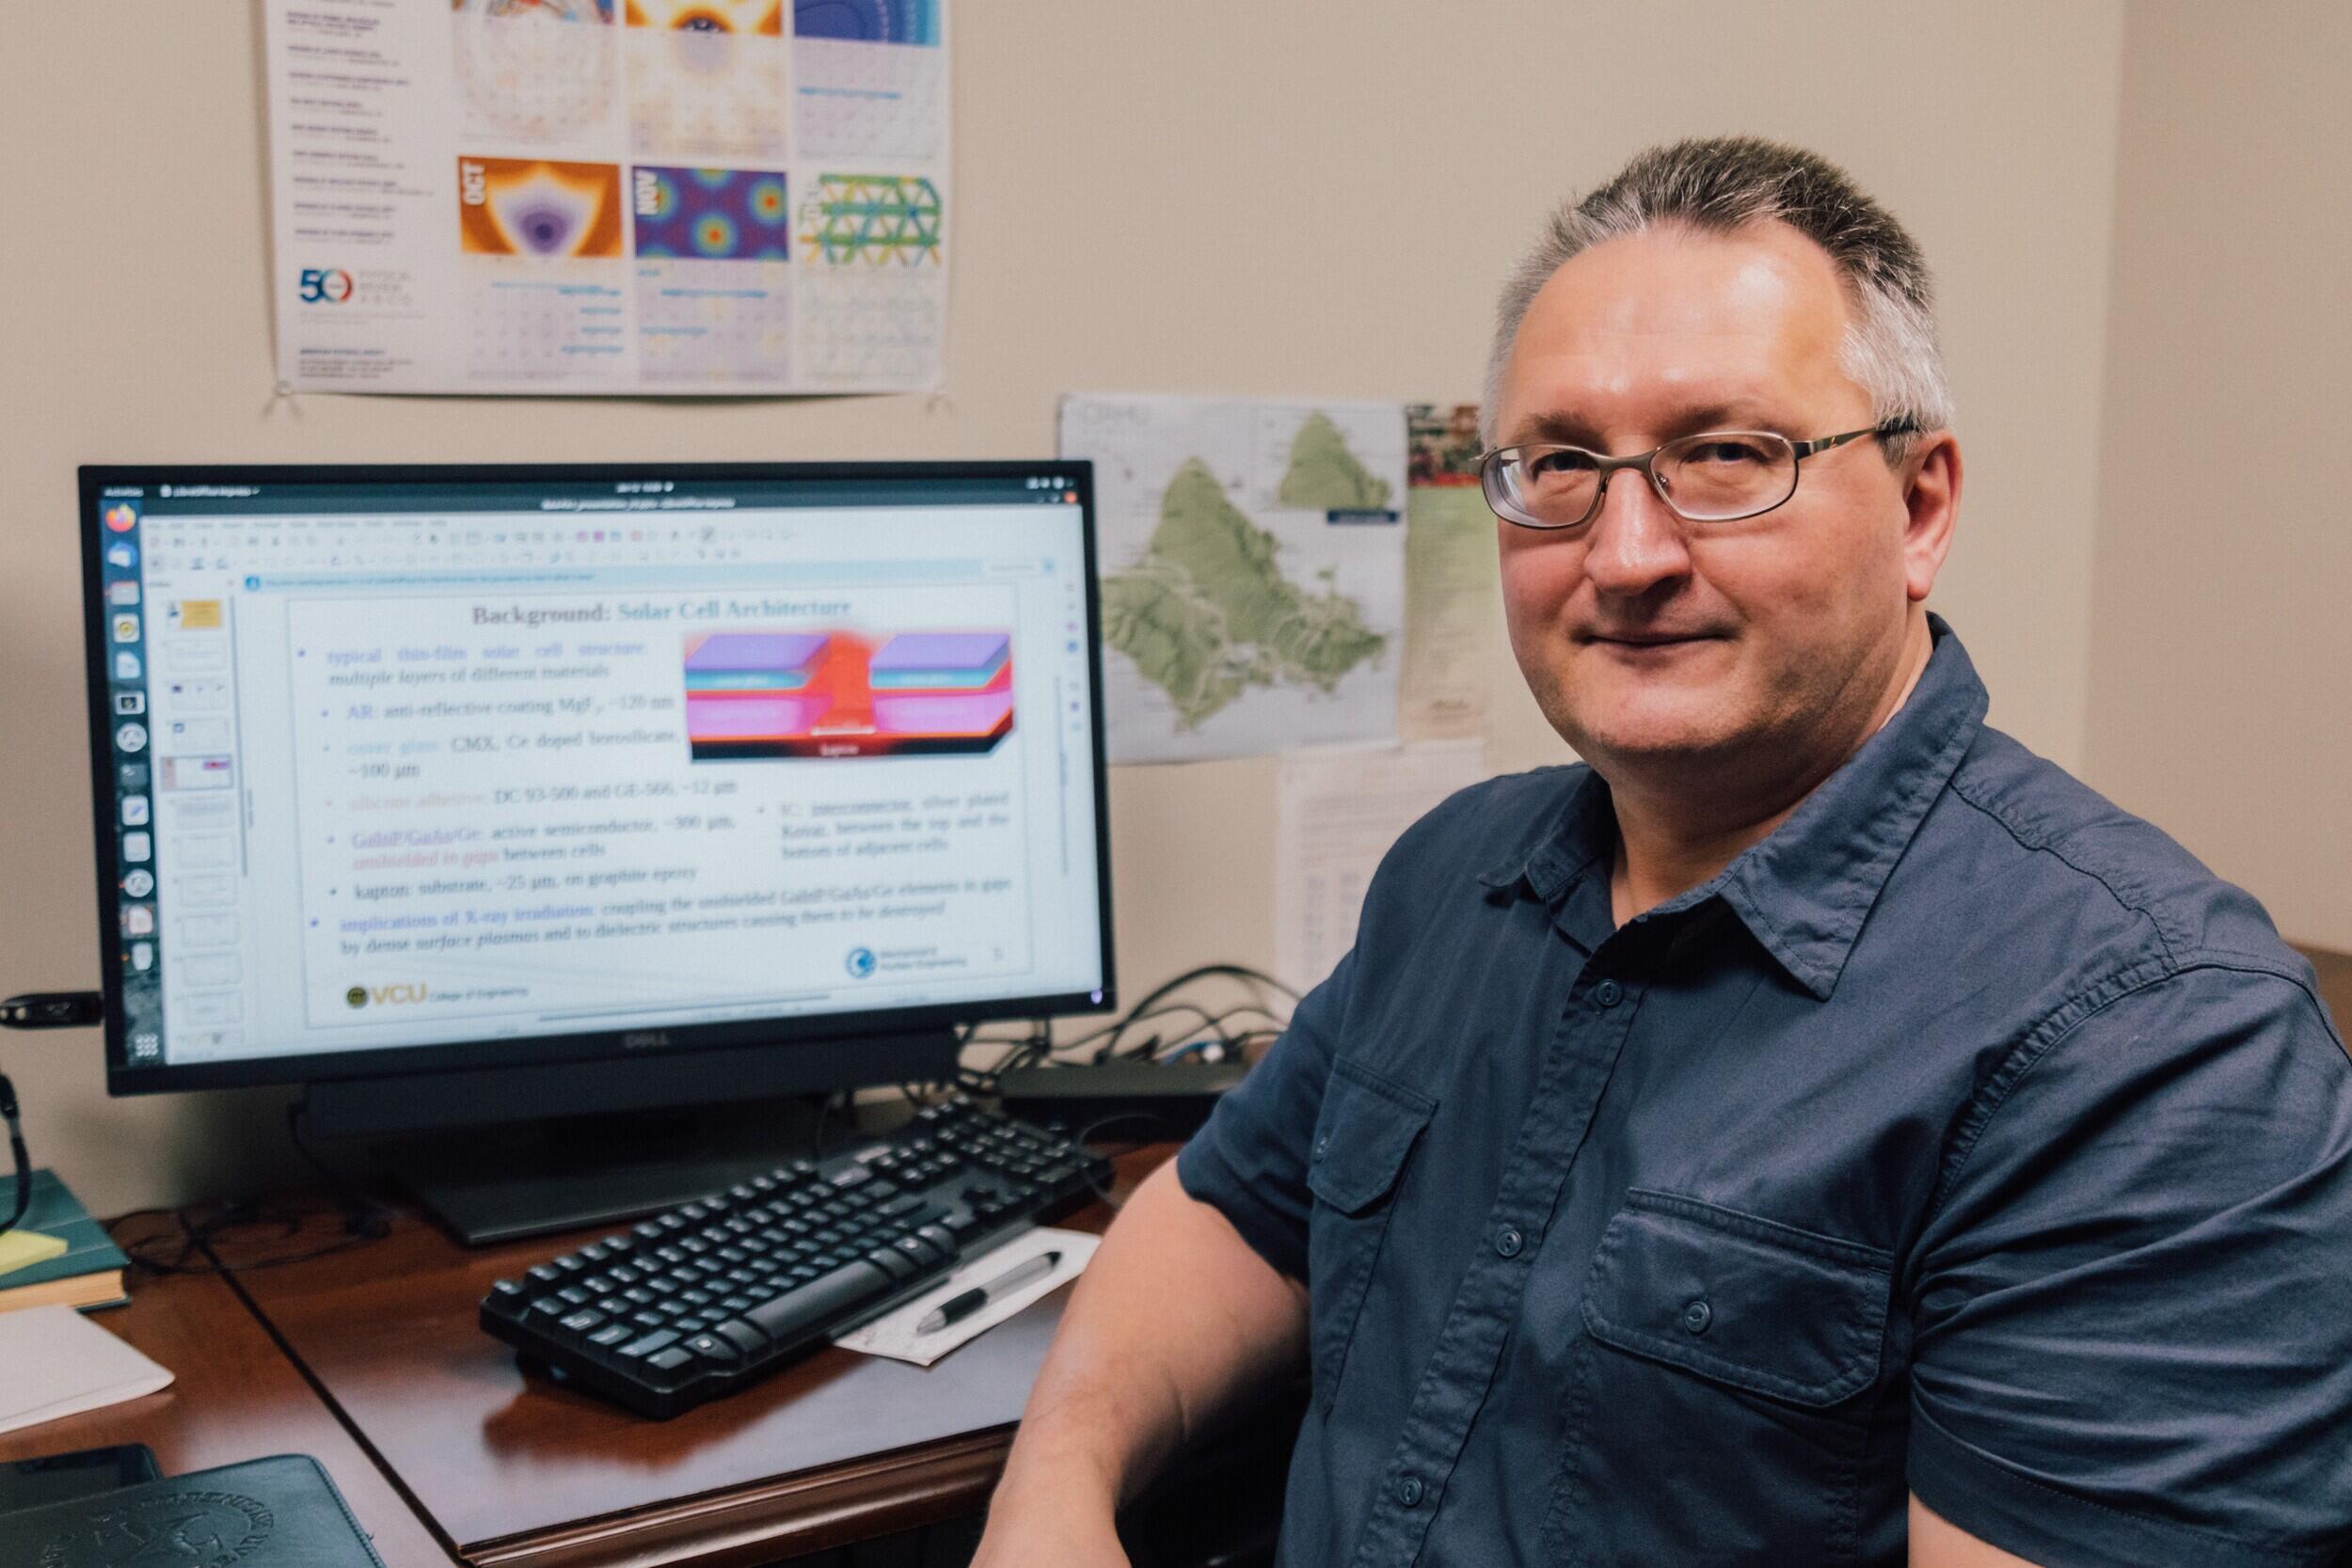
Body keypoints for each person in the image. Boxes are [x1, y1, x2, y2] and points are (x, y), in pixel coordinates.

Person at [974, 137, 2352, 1568]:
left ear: (1921, 506)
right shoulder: (1458, 873)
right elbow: (1227, 1219)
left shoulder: (2156, 1048)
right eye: (1561, 464)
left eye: (1726, 456)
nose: (1625, 553)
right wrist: (1053, 1491)